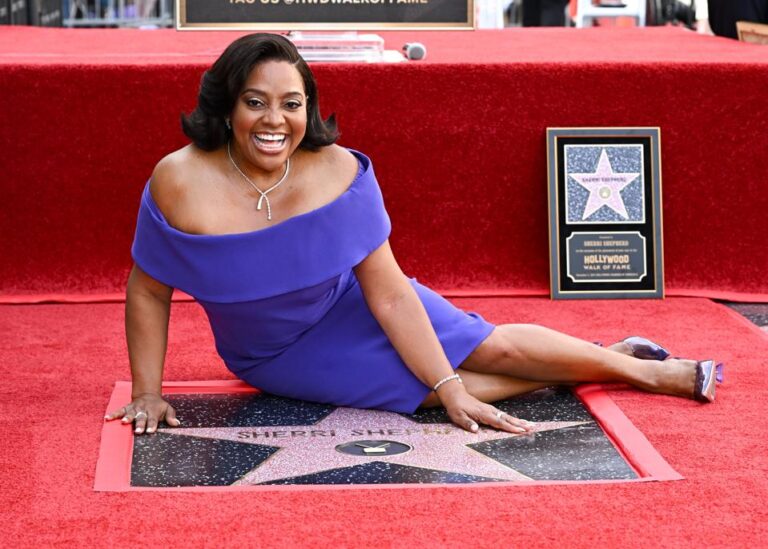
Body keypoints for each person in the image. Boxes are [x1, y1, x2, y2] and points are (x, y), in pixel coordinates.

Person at [105, 33, 720, 437]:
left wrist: (448, 380)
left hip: (353, 302)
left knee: (490, 348)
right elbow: (149, 290)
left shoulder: (340, 171)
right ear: (227, 107)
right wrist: (148, 392)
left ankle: (644, 370)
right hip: (276, 353)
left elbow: (390, 293)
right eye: (255, 102)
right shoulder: (178, 180)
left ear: (309, 109)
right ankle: (610, 361)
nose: (275, 120)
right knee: (425, 392)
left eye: (292, 104)